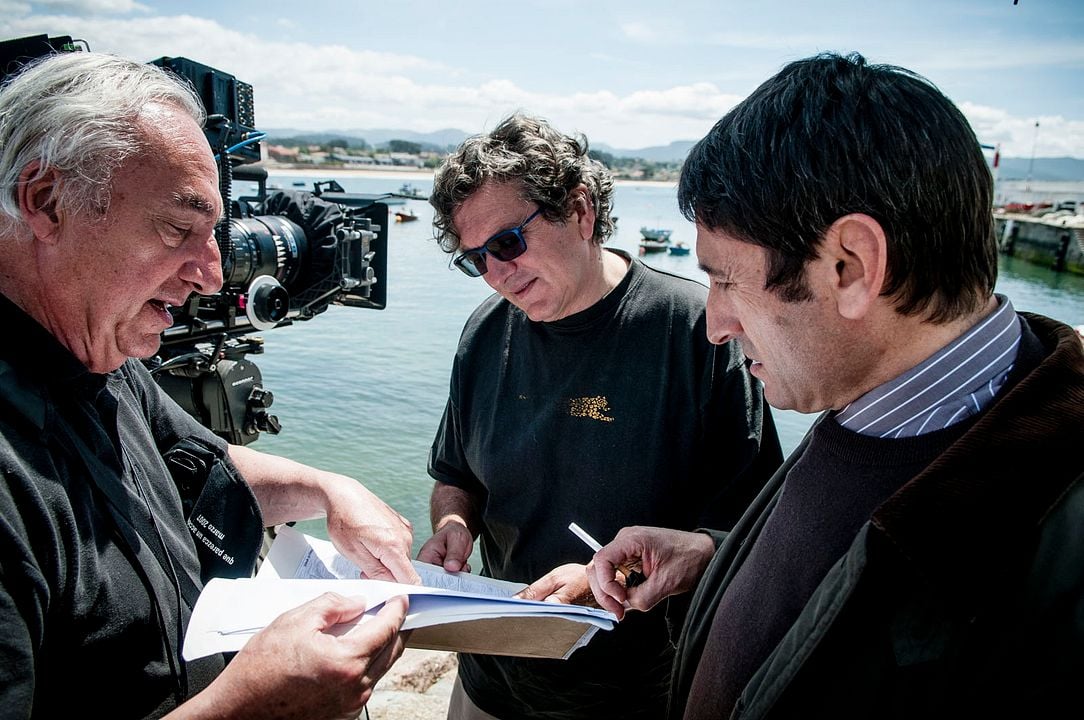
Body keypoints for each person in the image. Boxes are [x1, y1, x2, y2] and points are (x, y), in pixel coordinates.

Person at [587, 52, 1084, 719]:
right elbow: (859, 587)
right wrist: (717, 558)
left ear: (851, 266)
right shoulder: (878, 401)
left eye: (726, 279)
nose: (714, 324)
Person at [0, 52, 419, 719]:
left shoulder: (102, 360)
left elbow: (198, 464)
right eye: (178, 228)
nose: (213, 274)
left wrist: (330, 490)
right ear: (46, 201)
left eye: (216, 232)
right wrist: (252, 705)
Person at [417, 113, 782, 719]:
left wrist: (612, 576)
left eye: (508, 243)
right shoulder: (484, 331)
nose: (497, 274)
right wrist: (454, 524)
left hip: (635, 694)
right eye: (475, 259)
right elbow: (457, 473)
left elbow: (749, 534)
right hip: (490, 678)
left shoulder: (697, 333)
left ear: (580, 211)